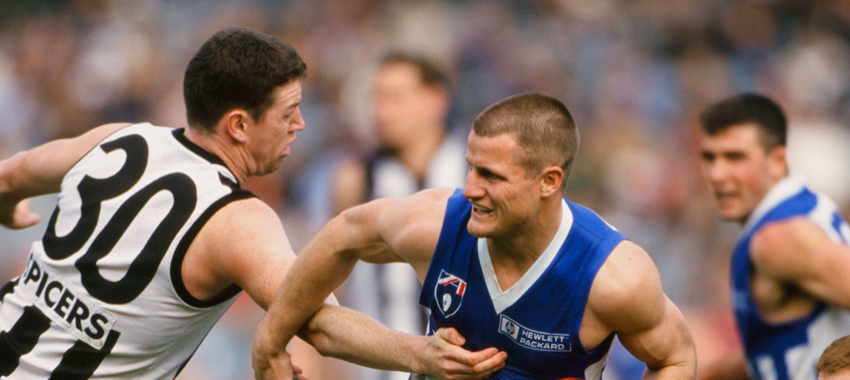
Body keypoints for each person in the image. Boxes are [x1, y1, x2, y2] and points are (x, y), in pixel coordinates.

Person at [0, 28, 505, 379]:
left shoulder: (117, 138)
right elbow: (320, 323)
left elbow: (13, 173)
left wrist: (9, 206)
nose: (300, 125)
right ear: (239, 125)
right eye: (288, 113)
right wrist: (423, 353)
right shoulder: (236, 218)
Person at [253, 92, 697, 380]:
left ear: (549, 181)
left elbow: (675, 357)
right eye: (470, 166)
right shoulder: (436, 224)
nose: (469, 188)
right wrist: (269, 344)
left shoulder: (613, 277)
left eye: (491, 175)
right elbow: (341, 236)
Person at [331, 52, 468, 380]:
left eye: (395, 98)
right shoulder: (355, 179)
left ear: (437, 100)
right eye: (376, 98)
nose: (381, 112)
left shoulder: (475, 173)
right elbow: (333, 280)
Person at [696, 93, 850, 380]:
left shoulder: (778, 238)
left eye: (734, 157)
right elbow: (780, 350)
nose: (717, 174)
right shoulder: (797, 212)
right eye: (709, 157)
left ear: (778, 160)